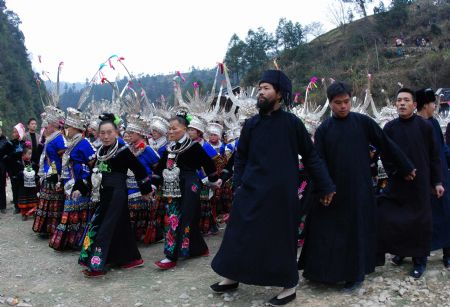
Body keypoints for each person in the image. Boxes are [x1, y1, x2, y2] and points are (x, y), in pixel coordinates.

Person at [211, 70, 335, 306]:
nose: (260, 92)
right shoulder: (251, 125)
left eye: (266, 88)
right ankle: (232, 275)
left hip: (281, 194)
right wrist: (239, 184)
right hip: (250, 190)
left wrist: (326, 185)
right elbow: (241, 158)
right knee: (239, 233)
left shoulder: (292, 124)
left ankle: (289, 287)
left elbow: (311, 157)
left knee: (281, 239)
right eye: (259, 88)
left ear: (280, 94)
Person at [298, 82, 415, 291]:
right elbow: (318, 161)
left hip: (358, 189)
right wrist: (325, 188)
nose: (343, 106)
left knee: (355, 232)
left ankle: (356, 274)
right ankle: (323, 273)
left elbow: (385, 143)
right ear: (330, 103)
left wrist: (405, 165)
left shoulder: (362, 122)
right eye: (338, 103)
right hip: (332, 190)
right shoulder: (324, 129)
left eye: (346, 102)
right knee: (326, 230)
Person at [377, 88, 444, 278]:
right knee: (397, 219)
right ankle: (401, 252)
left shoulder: (425, 127)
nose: (402, 103)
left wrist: (437, 181)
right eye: (399, 100)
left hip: (421, 184)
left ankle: (419, 260)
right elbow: (386, 155)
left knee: (420, 222)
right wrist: (399, 172)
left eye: (406, 100)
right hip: (399, 183)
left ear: (414, 105)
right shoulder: (389, 128)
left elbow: (434, 156)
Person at [79, 113, 152, 277]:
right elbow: (93, 172)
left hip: (117, 193)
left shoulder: (123, 151)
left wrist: (146, 190)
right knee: (120, 226)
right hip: (103, 193)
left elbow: (139, 170)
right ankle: (130, 259)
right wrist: (81, 187)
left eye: (109, 132)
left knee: (103, 227)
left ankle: (96, 265)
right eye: (102, 133)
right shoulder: (101, 150)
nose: (105, 136)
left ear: (116, 132)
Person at [153, 111, 222, 270]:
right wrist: (153, 185)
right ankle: (199, 248)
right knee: (174, 216)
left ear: (184, 128)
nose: (170, 131)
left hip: (190, 184)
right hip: (172, 185)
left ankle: (171, 256)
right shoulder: (169, 148)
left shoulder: (194, 147)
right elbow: (160, 168)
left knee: (184, 217)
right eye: (169, 129)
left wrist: (213, 180)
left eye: (174, 128)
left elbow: (209, 165)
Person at [49, 108, 96, 251]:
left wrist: (84, 182)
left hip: (80, 183)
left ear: (76, 128)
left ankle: (78, 241)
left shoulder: (85, 143)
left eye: (67, 127)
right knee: (70, 210)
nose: (65, 130)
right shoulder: (71, 143)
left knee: (78, 212)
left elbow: (93, 165)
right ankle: (70, 241)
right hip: (70, 182)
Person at [416, 88, 450, 270]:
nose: (435, 107)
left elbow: (441, 149)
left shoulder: (435, 123)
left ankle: (448, 252)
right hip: (423, 178)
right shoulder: (415, 125)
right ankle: (416, 255)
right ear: (424, 105)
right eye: (432, 104)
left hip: (441, 176)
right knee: (422, 218)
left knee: (445, 213)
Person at [125, 115, 160, 243]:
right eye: (128, 132)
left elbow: (158, 167)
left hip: (143, 185)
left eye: (131, 133)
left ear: (140, 133)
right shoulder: (129, 149)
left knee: (140, 211)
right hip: (129, 185)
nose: (128, 135)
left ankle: (144, 235)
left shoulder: (148, 150)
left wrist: (153, 184)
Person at [33, 107, 67, 236]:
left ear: (53, 126)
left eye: (46, 127)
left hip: (55, 174)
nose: (44, 130)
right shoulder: (50, 138)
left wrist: (57, 173)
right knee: (46, 200)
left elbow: (64, 158)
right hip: (49, 172)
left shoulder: (59, 139)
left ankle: (52, 229)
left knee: (54, 203)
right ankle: (45, 228)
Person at [6, 123, 26, 214]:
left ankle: (22, 205)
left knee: (21, 187)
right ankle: (16, 206)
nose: (13, 134)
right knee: (14, 187)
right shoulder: (10, 143)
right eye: (13, 132)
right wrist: (14, 154)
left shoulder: (23, 143)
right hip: (12, 169)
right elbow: (6, 156)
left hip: (21, 168)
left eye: (15, 132)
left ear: (19, 133)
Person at [17, 147, 39, 220]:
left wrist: (35, 177)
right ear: (23, 155)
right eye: (29, 154)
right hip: (23, 185)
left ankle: (32, 212)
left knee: (32, 198)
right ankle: (24, 213)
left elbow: (35, 172)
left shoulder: (32, 163)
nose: (30, 155)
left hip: (31, 185)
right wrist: (24, 173)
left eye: (31, 154)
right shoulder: (19, 163)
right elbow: (17, 174)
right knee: (24, 199)